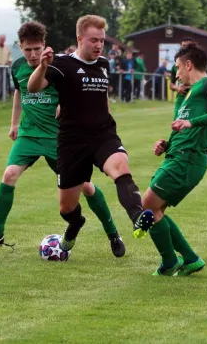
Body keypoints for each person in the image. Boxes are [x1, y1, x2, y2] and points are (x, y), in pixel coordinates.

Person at [0, 21, 125, 257]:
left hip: (59, 138)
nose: (33, 54)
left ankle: (113, 233)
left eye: (37, 49)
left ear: (44, 45)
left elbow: (74, 90)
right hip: (29, 134)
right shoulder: (18, 68)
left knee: (86, 186)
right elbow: (19, 92)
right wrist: (14, 123)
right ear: (20, 47)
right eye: (27, 50)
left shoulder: (58, 65)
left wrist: (64, 104)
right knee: (9, 175)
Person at [28, 15, 145, 253]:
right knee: (67, 207)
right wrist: (42, 66)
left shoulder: (103, 64)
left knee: (121, 166)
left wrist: (110, 125)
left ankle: (139, 217)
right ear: (80, 38)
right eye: (94, 40)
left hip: (103, 135)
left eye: (102, 40)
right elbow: (33, 87)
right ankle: (75, 224)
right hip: (72, 142)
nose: (99, 45)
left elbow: (100, 98)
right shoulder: (61, 64)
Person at [132, 43, 207, 276]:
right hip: (177, 156)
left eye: (178, 67)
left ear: (189, 64)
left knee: (147, 205)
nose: (176, 74)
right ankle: (189, 259)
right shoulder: (190, 94)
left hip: (187, 160)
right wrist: (166, 144)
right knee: (155, 211)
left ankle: (170, 263)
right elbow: (182, 130)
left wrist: (191, 122)